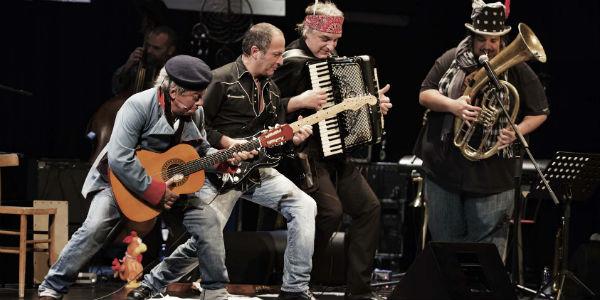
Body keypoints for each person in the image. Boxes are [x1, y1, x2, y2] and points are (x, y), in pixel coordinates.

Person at [38, 55, 255, 300]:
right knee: (95, 227)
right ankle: (52, 287)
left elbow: (201, 151)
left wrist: (224, 159)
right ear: (174, 91)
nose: (201, 102)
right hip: (122, 182)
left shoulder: (194, 114)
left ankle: (215, 290)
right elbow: (120, 158)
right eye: (196, 96)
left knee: (209, 224)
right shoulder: (138, 105)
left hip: (173, 186)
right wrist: (156, 192)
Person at [128, 23, 318, 300]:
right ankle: (152, 284)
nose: (281, 60)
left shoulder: (273, 90)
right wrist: (228, 144)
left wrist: (293, 139)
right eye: (277, 54)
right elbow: (194, 128)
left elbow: (272, 144)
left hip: (255, 172)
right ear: (255, 51)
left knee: (304, 205)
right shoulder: (220, 79)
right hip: (217, 172)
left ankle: (295, 289)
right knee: (205, 239)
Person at [271, 2, 392, 300]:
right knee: (330, 212)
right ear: (307, 31)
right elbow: (266, 106)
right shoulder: (290, 61)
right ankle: (297, 280)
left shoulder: (334, 61)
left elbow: (345, 103)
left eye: (335, 40)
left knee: (369, 208)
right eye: (325, 39)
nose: (331, 46)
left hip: (334, 152)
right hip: (300, 156)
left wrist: (373, 106)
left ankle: (359, 292)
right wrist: (299, 101)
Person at [416, 0, 549, 258]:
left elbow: (540, 112)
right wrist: (453, 105)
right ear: (473, 37)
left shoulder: (517, 68)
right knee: (445, 248)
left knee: (487, 254)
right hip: (446, 168)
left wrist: (517, 130)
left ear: (502, 41)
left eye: (494, 40)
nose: (488, 46)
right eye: (482, 39)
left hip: (493, 174)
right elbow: (425, 94)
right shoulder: (452, 59)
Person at [112, 25, 177, 95]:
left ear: (170, 50)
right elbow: (116, 90)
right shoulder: (141, 62)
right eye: (148, 45)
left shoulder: (176, 72)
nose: (149, 51)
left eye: (156, 48)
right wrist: (127, 67)